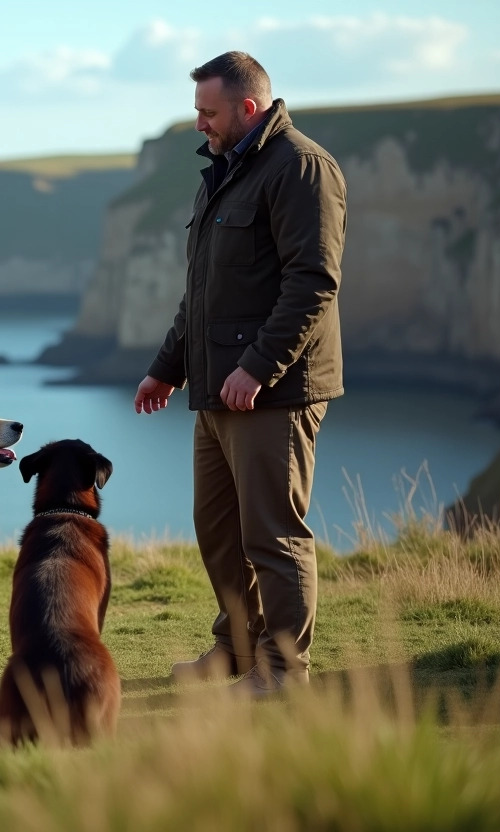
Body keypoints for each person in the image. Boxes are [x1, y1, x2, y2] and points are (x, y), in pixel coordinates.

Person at [133, 51, 346, 695]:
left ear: (247, 108)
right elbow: (202, 291)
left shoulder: (301, 169)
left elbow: (312, 284)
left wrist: (257, 367)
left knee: (273, 536)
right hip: (216, 389)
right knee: (219, 533)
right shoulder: (225, 171)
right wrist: (166, 368)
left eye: (208, 111)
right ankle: (236, 651)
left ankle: (282, 673)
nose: (200, 123)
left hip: (274, 391)